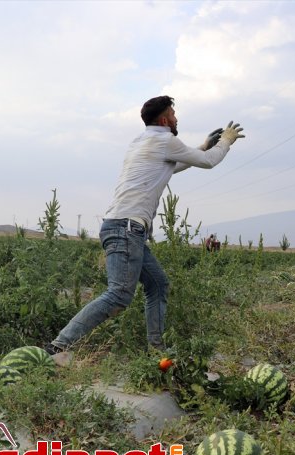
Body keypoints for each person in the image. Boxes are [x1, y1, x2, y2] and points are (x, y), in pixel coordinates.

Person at [45, 96, 245, 360]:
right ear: (164, 120)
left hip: (123, 227)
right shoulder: (165, 140)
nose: (176, 118)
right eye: (173, 114)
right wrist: (225, 142)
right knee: (118, 295)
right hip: (126, 229)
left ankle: (156, 350)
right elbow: (207, 162)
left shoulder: (142, 141)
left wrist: (204, 145)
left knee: (158, 285)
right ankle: (58, 345)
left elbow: (174, 164)